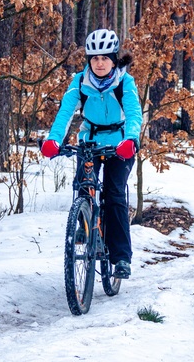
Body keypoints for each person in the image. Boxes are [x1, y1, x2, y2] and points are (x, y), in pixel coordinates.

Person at [41, 29, 142, 279]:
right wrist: (53, 140)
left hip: (120, 143)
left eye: (105, 58)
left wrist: (131, 139)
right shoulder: (80, 81)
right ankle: (85, 225)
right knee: (84, 185)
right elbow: (65, 112)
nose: (99, 63)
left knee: (114, 192)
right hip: (90, 140)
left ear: (114, 59)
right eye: (94, 58)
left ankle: (120, 258)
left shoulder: (124, 82)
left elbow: (133, 113)